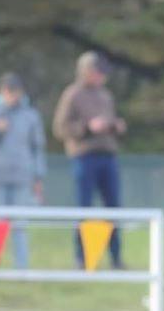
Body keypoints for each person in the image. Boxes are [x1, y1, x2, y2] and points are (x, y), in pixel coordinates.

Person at [53, 51, 125, 268]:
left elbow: (110, 124)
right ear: (86, 72)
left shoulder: (106, 96)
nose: (101, 77)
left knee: (114, 209)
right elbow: (60, 128)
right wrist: (86, 128)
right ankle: (81, 257)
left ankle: (116, 257)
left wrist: (115, 126)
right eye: (97, 72)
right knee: (83, 209)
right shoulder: (72, 95)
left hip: (108, 156)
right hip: (84, 156)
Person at [0, 72, 46, 271]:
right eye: (8, 91)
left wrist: (38, 177)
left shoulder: (30, 116)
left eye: (15, 91)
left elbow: (37, 148)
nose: (12, 96)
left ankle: (21, 268)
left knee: (19, 224)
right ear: (1, 92)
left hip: (22, 177)